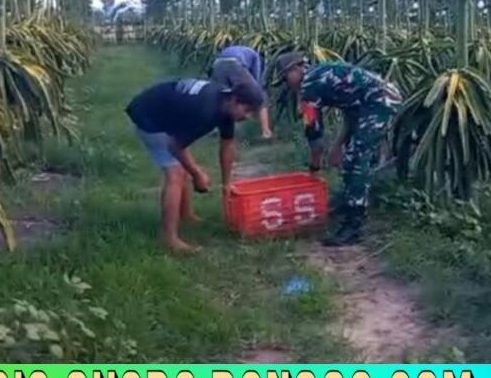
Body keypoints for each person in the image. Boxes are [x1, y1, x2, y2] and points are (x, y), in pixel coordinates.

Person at [126, 72, 264, 254]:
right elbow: (175, 146)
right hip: (148, 115)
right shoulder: (205, 111)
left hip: (168, 114)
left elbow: (227, 146)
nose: (248, 117)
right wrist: (197, 173)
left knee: (182, 168)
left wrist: (226, 184)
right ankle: (169, 238)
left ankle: (186, 215)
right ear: (234, 100)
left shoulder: (224, 104)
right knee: (175, 174)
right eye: (247, 110)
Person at [275, 51, 401, 247]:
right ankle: (349, 201)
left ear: (298, 67)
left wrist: (315, 169)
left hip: (380, 102)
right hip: (368, 103)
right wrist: (337, 146)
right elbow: (350, 111)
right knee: (350, 157)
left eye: (285, 76)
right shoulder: (319, 75)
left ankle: (354, 225)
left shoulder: (310, 84)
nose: (286, 83)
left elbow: (314, 132)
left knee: (357, 158)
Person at [210, 42, 273, 139]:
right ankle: (266, 131)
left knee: (225, 98)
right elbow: (256, 81)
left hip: (217, 64)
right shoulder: (256, 57)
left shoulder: (243, 50)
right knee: (260, 95)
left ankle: (217, 128)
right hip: (235, 63)